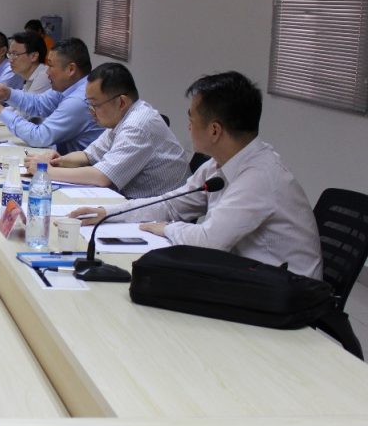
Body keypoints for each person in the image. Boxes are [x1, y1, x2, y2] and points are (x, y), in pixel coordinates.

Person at [70, 71, 323, 278]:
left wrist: (167, 229)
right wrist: (110, 213)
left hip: (286, 293)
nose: (188, 127)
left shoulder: (260, 176)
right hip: (250, 278)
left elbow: (209, 241)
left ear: (214, 131)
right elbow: (171, 204)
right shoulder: (219, 165)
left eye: (191, 119)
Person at [27, 62, 187, 198]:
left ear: (121, 102)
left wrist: (46, 171)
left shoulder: (137, 125)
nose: (91, 111)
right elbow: (89, 155)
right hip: (132, 201)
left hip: (160, 212)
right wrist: (58, 161)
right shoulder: (122, 119)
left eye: (95, 104)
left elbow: (102, 177)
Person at [0, 37, 103, 153]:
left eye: (51, 66)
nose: (47, 72)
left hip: (73, 162)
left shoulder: (79, 100)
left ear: (71, 69)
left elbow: (39, 137)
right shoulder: (68, 86)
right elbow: (39, 103)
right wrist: (8, 94)